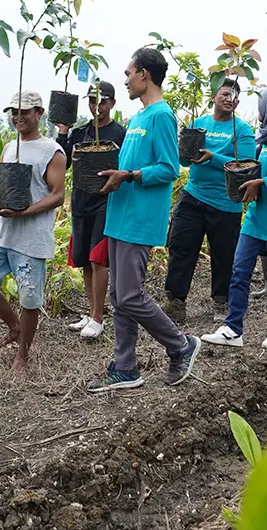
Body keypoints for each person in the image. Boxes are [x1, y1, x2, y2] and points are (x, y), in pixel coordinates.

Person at [88, 47, 202, 392]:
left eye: (128, 73)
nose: (125, 80)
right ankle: (125, 367)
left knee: (130, 296)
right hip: (120, 215)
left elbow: (169, 168)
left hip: (140, 218)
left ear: (145, 75)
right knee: (118, 297)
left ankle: (180, 345)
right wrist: (113, 176)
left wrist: (130, 175)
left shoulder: (161, 116)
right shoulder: (138, 118)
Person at [0, 91, 66, 373]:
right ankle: (15, 327)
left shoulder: (52, 151)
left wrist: (25, 211)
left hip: (31, 237)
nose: (18, 117)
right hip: (1, 231)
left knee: (30, 298)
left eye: (24, 111)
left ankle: (22, 355)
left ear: (39, 113)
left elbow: (58, 195)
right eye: (14, 111)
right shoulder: (11, 146)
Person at [201, 86, 267, 350]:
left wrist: (262, 182)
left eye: (263, 104)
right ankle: (233, 328)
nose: (259, 110)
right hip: (257, 216)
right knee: (240, 270)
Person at [164, 78, 256, 324]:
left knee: (224, 254)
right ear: (214, 96)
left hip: (225, 203)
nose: (229, 99)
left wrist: (212, 157)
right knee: (180, 246)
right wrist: (188, 151)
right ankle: (175, 302)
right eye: (224, 94)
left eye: (233, 96)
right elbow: (184, 161)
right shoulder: (198, 124)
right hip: (193, 195)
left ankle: (221, 301)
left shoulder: (243, 130)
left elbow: (245, 165)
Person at [56, 81, 126, 339]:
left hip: (105, 203)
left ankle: (98, 317)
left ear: (113, 104)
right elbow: (61, 164)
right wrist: (63, 132)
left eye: (103, 101)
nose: (97, 106)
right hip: (80, 202)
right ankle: (91, 311)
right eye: (93, 101)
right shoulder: (80, 133)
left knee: (98, 258)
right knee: (84, 259)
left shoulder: (120, 134)